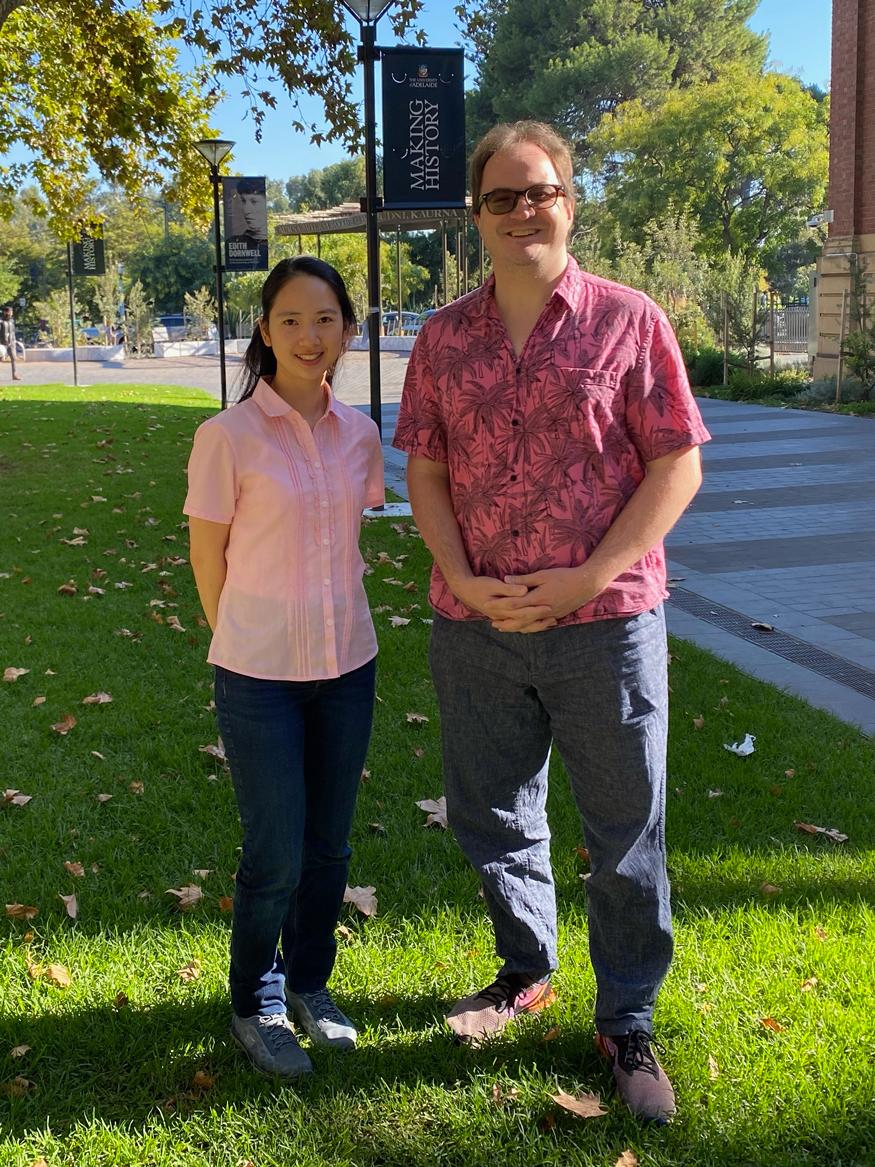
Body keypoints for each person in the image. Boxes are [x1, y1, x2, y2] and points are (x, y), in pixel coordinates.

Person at [392, 121, 710, 1122]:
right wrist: (459, 574)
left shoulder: (629, 320)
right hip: (474, 625)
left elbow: (676, 463)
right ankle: (524, 968)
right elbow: (427, 470)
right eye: (501, 197)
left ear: (569, 202)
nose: (523, 209)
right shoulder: (442, 339)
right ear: (476, 218)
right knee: (491, 815)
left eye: (541, 191)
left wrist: (587, 577)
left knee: (623, 833)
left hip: (604, 622)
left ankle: (626, 1021)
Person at [184, 256, 384, 1079]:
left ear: (346, 329)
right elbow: (208, 555)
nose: (310, 335)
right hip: (258, 673)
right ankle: (256, 1002)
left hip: (348, 665)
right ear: (263, 331)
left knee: (329, 846)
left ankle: (310, 984)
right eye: (291, 320)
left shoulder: (361, 434)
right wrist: (243, 640)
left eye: (326, 318)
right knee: (275, 850)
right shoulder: (225, 437)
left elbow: (349, 541)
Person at [227, 177, 269, 269]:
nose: (246, 210)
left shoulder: (274, 246)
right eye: (243, 201)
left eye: (254, 202)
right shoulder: (233, 242)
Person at [0, 305, 22, 380]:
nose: (11, 313)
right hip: (2, 343)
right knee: (1, 359)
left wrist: (14, 340)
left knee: (14, 358)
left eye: (11, 311)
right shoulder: (1, 321)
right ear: (5, 312)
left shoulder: (12, 321)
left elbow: (13, 331)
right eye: (10, 311)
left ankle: (14, 375)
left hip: (11, 342)